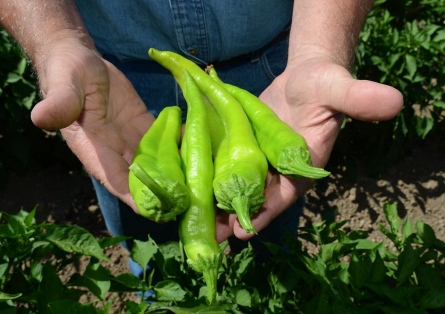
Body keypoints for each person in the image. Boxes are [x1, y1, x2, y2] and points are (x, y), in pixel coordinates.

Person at [0, 0, 403, 269]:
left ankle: (272, 287)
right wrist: (57, 42)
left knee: (271, 239)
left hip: (277, 69)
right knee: (148, 244)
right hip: (112, 82)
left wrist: (319, 48)